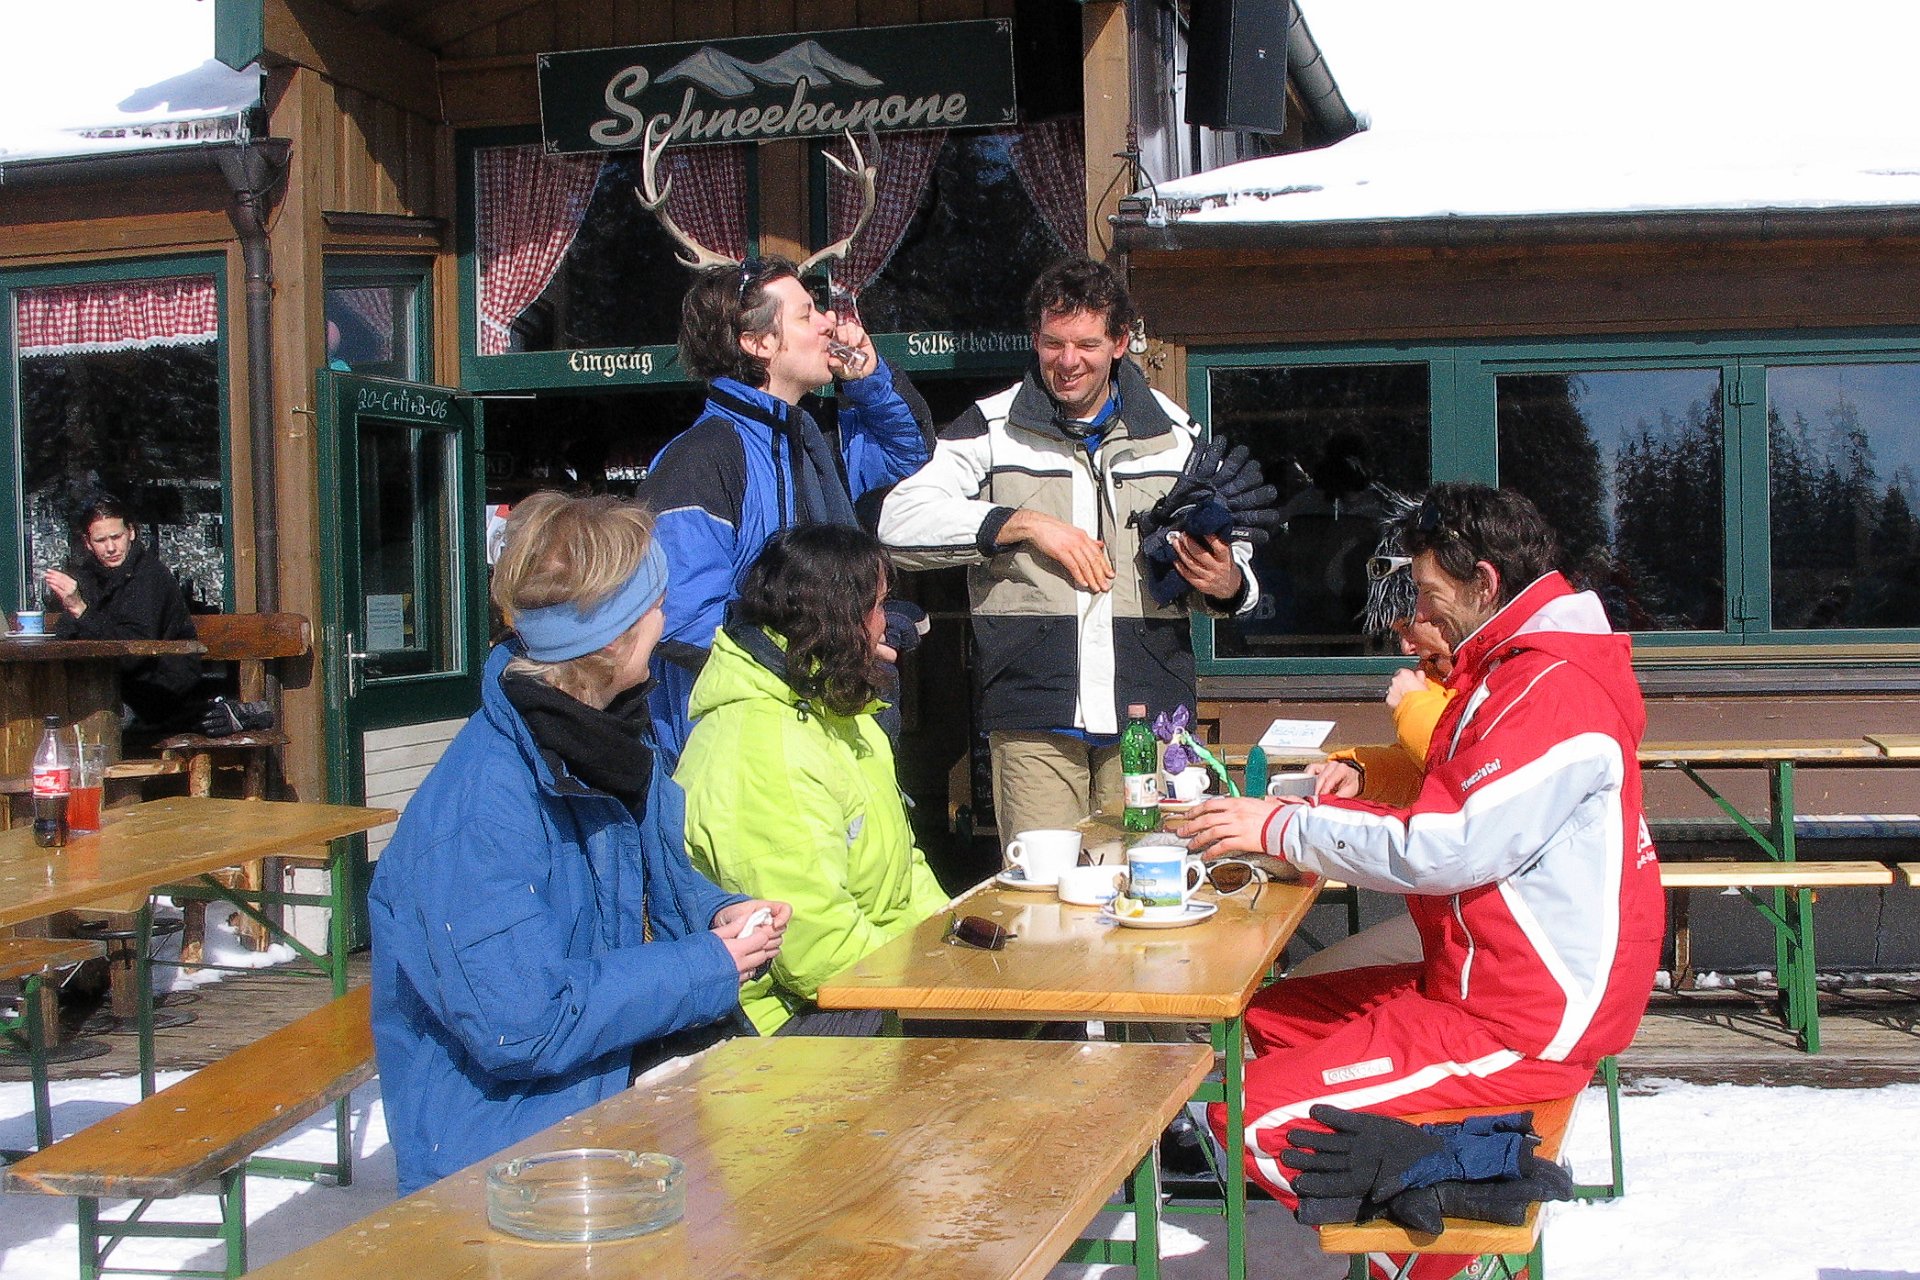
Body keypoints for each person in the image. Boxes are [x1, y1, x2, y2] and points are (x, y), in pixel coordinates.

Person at [1176, 484, 1663, 1280]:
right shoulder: (1516, 672)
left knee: (1250, 1120)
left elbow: (1446, 846)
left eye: (1431, 596)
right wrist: (1338, 800)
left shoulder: (1551, 690)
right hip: (1481, 983)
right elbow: (1456, 801)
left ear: (1485, 584)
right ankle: (1421, 1175)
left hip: (1524, 1021)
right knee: (1272, 1019)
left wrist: (1279, 827)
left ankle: (1454, 1195)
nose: (1418, 617)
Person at [367, 492, 790, 1194]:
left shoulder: (604, 740)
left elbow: (638, 884)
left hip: (609, 1115)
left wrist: (716, 913)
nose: (667, 619)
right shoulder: (482, 810)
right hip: (509, 1170)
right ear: (615, 637)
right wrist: (705, 965)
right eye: (657, 604)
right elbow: (521, 1024)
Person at [878, 256, 1257, 842]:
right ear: (1035, 340)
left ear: (1120, 343)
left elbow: (1241, 560)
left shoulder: (1175, 435)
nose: (1068, 360)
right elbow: (898, 521)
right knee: (1043, 887)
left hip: (1150, 713)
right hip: (1033, 710)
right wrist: (1023, 523)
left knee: (1145, 878)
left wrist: (1228, 582)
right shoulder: (990, 427)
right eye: (1053, 343)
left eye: (1086, 344)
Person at [637, 257, 932, 765]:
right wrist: (827, 652)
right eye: (806, 314)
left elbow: (908, 449)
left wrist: (869, 380)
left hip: (819, 730)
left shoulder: (811, 440)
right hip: (735, 751)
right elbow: (682, 619)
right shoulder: (702, 458)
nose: (828, 323)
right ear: (758, 343)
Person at [676, 525, 949, 1036]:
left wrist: (950, 943)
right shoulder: (762, 746)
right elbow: (812, 946)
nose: (885, 624)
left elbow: (904, 871)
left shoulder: (839, 713)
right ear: (841, 618)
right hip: (783, 1022)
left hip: (869, 978)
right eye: (878, 606)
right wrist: (937, 985)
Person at [44, 497, 202, 733]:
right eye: (100, 540)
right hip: (103, 688)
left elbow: (132, 654)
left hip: (157, 694)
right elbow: (65, 635)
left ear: (131, 533)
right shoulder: (87, 577)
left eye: (116, 537)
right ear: (88, 543)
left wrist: (80, 609)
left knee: (85, 725)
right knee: (40, 715)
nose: (110, 548)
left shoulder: (150, 577)